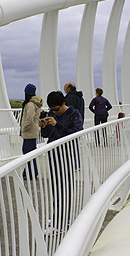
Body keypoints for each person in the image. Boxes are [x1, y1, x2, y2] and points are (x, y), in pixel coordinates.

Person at [39, 91, 83, 233]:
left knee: (65, 188)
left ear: (64, 103)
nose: (53, 112)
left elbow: (76, 133)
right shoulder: (52, 114)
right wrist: (44, 127)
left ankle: (61, 224)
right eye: (51, 109)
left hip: (67, 154)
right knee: (56, 188)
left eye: (56, 109)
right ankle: (59, 217)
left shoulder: (74, 114)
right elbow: (47, 135)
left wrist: (57, 124)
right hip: (53, 154)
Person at [20, 83, 43, 179]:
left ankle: (31, 173)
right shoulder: (35, 103)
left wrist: (23, 128)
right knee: (30, 152)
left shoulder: (29, 104)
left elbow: (29, 119)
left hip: (29, 132)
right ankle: (29, 172)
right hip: (34, 131)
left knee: (27, 152)